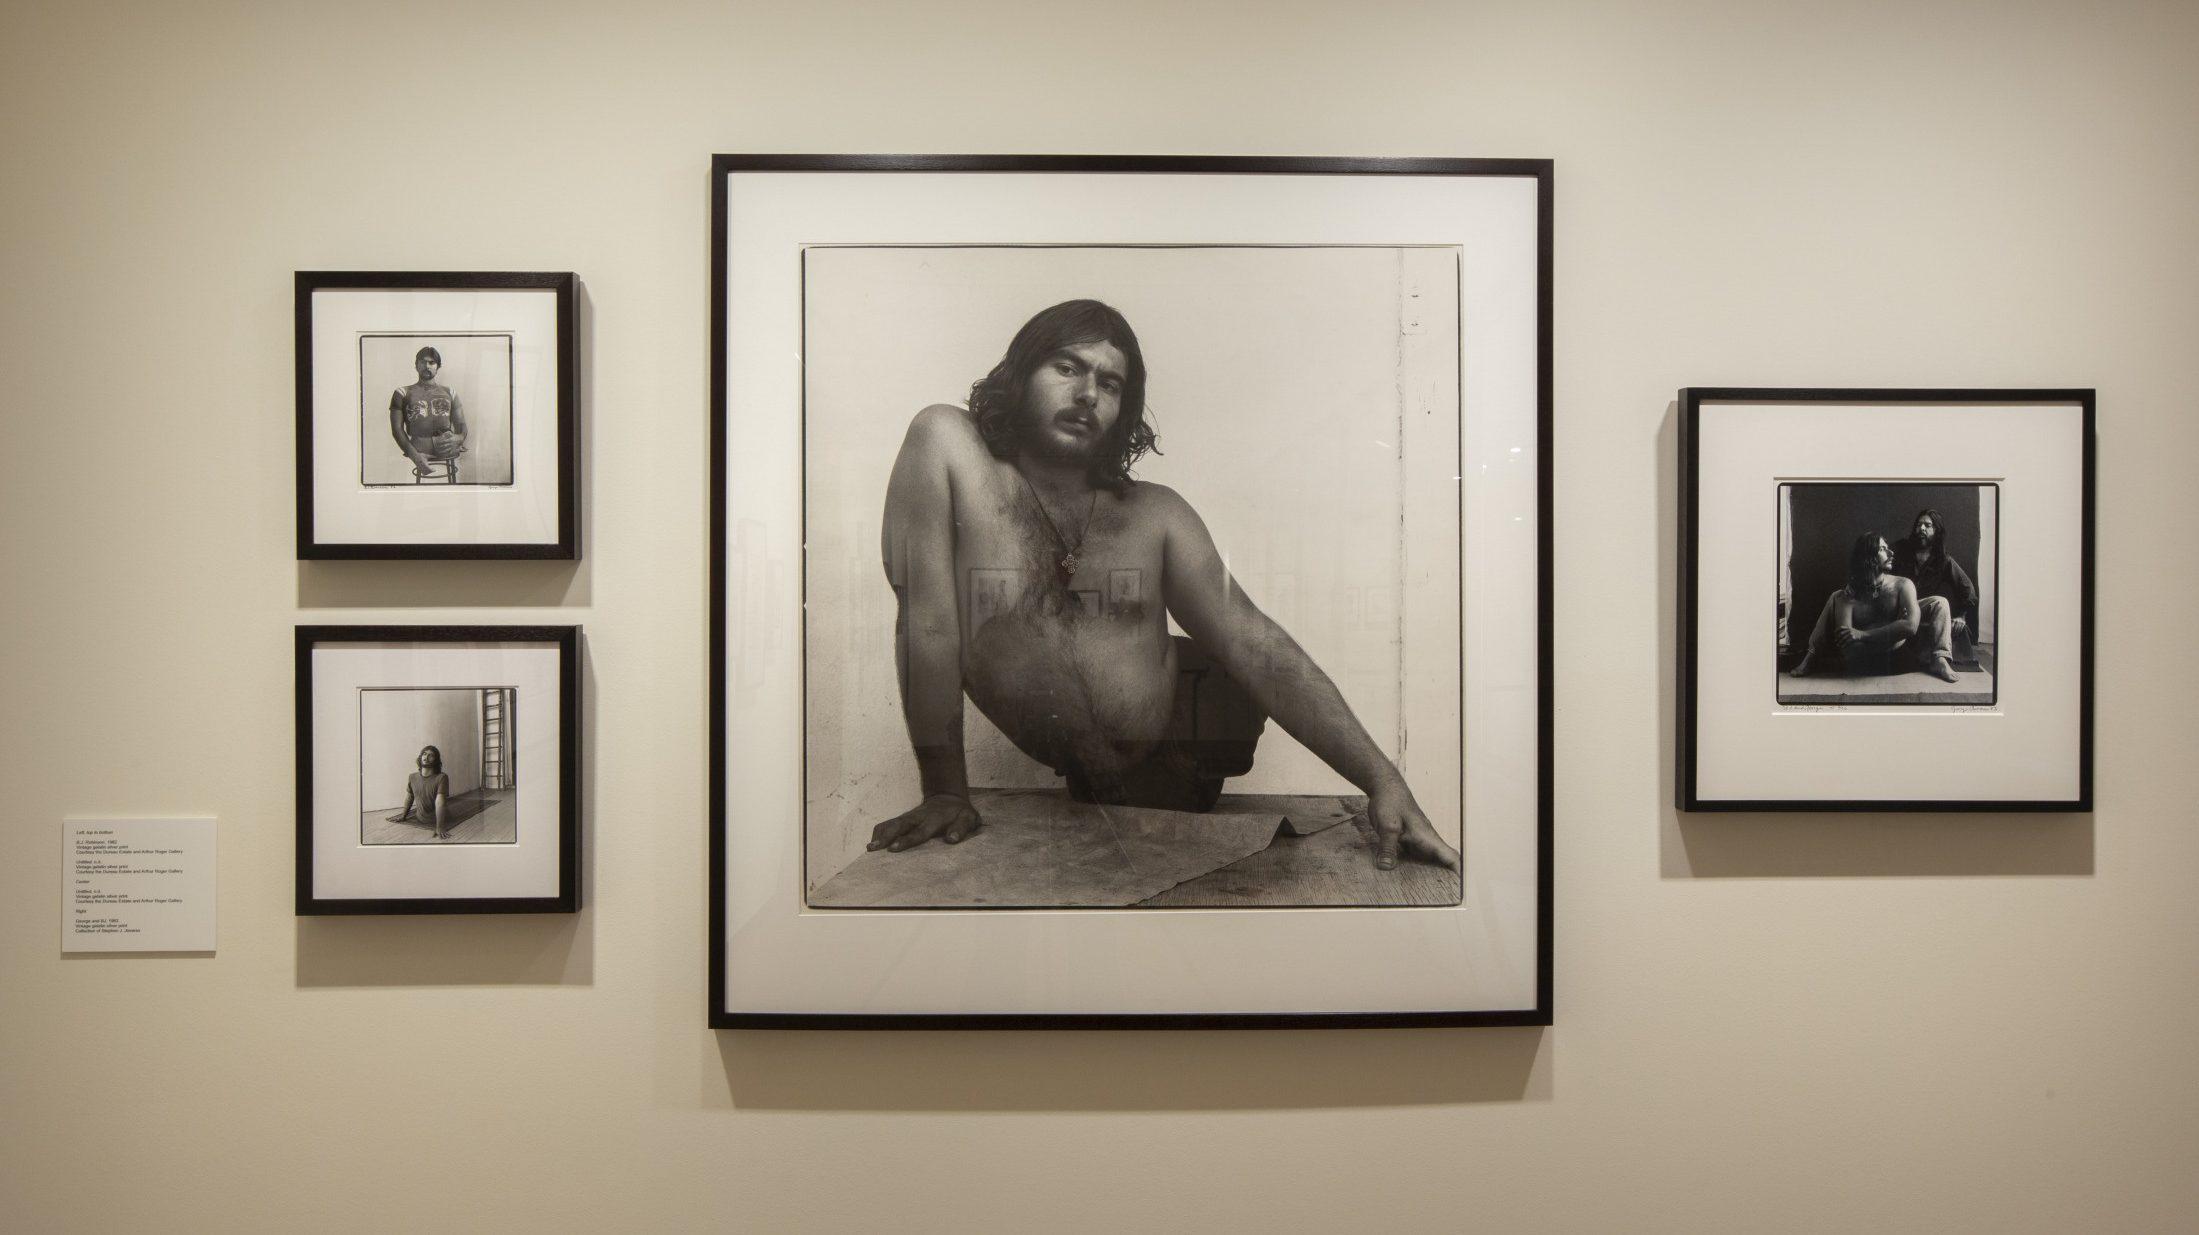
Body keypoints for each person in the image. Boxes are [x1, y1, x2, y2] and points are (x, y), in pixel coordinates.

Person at [869, 299, 1459, 872]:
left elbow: (1254, 643)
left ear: (1123, 411)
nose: (1086, 395)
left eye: (1110, 384)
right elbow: (927, 624)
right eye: (1067, 367)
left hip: (1188, 750)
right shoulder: (949, 448)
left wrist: (1384, 780)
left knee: (1234, 659)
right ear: (1019, 375)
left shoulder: (1155, 514)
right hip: (1090, 776)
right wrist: (945, 790)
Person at [1789, 533, 1959, 683]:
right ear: (1868, 556)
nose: (1891, 553)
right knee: (1836, 596)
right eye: (1883, 549)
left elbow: (1911, 627)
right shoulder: (1847, 594)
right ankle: (1810, 657)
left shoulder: (1902, 584)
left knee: (1940, 602)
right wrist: (1896, 626)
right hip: (1871, 651)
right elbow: (1849, 648)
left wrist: (1863, 634)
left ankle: (1940, 659)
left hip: (1897, 649)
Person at [1889, 508, 1978, 637]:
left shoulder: (1943, 561)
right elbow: (1875, 559)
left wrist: (1961, 616)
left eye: (1928, 525)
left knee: (1941, 604)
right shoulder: (1901, 548)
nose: (1922, 528)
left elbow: (1968, 591)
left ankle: (1941, 656)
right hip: (1896, 607)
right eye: (1919, 525)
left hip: (1921, 610)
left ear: (1937, 531)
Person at [388, 346, 467, 479]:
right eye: (422, 362)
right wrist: (416, 457)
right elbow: (397, 429)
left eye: (431, 362)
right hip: (418, 449)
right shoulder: (402, 393)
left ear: (438, 367)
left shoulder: (450, 392)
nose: (427, 366)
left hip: (447, 448)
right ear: (416, 366)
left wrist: (459, 438)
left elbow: (461, 425)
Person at [385, 745, 453, 840]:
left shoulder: (442, 777)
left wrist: (439, 827)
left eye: (431, 755)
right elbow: (410, 797)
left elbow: (440, 802)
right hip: (419, 818)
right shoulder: (412, 777)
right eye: (424, 754)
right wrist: (403, 816)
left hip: (438, 820)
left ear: (436, 760)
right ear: (420, 757)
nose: (426, 757)